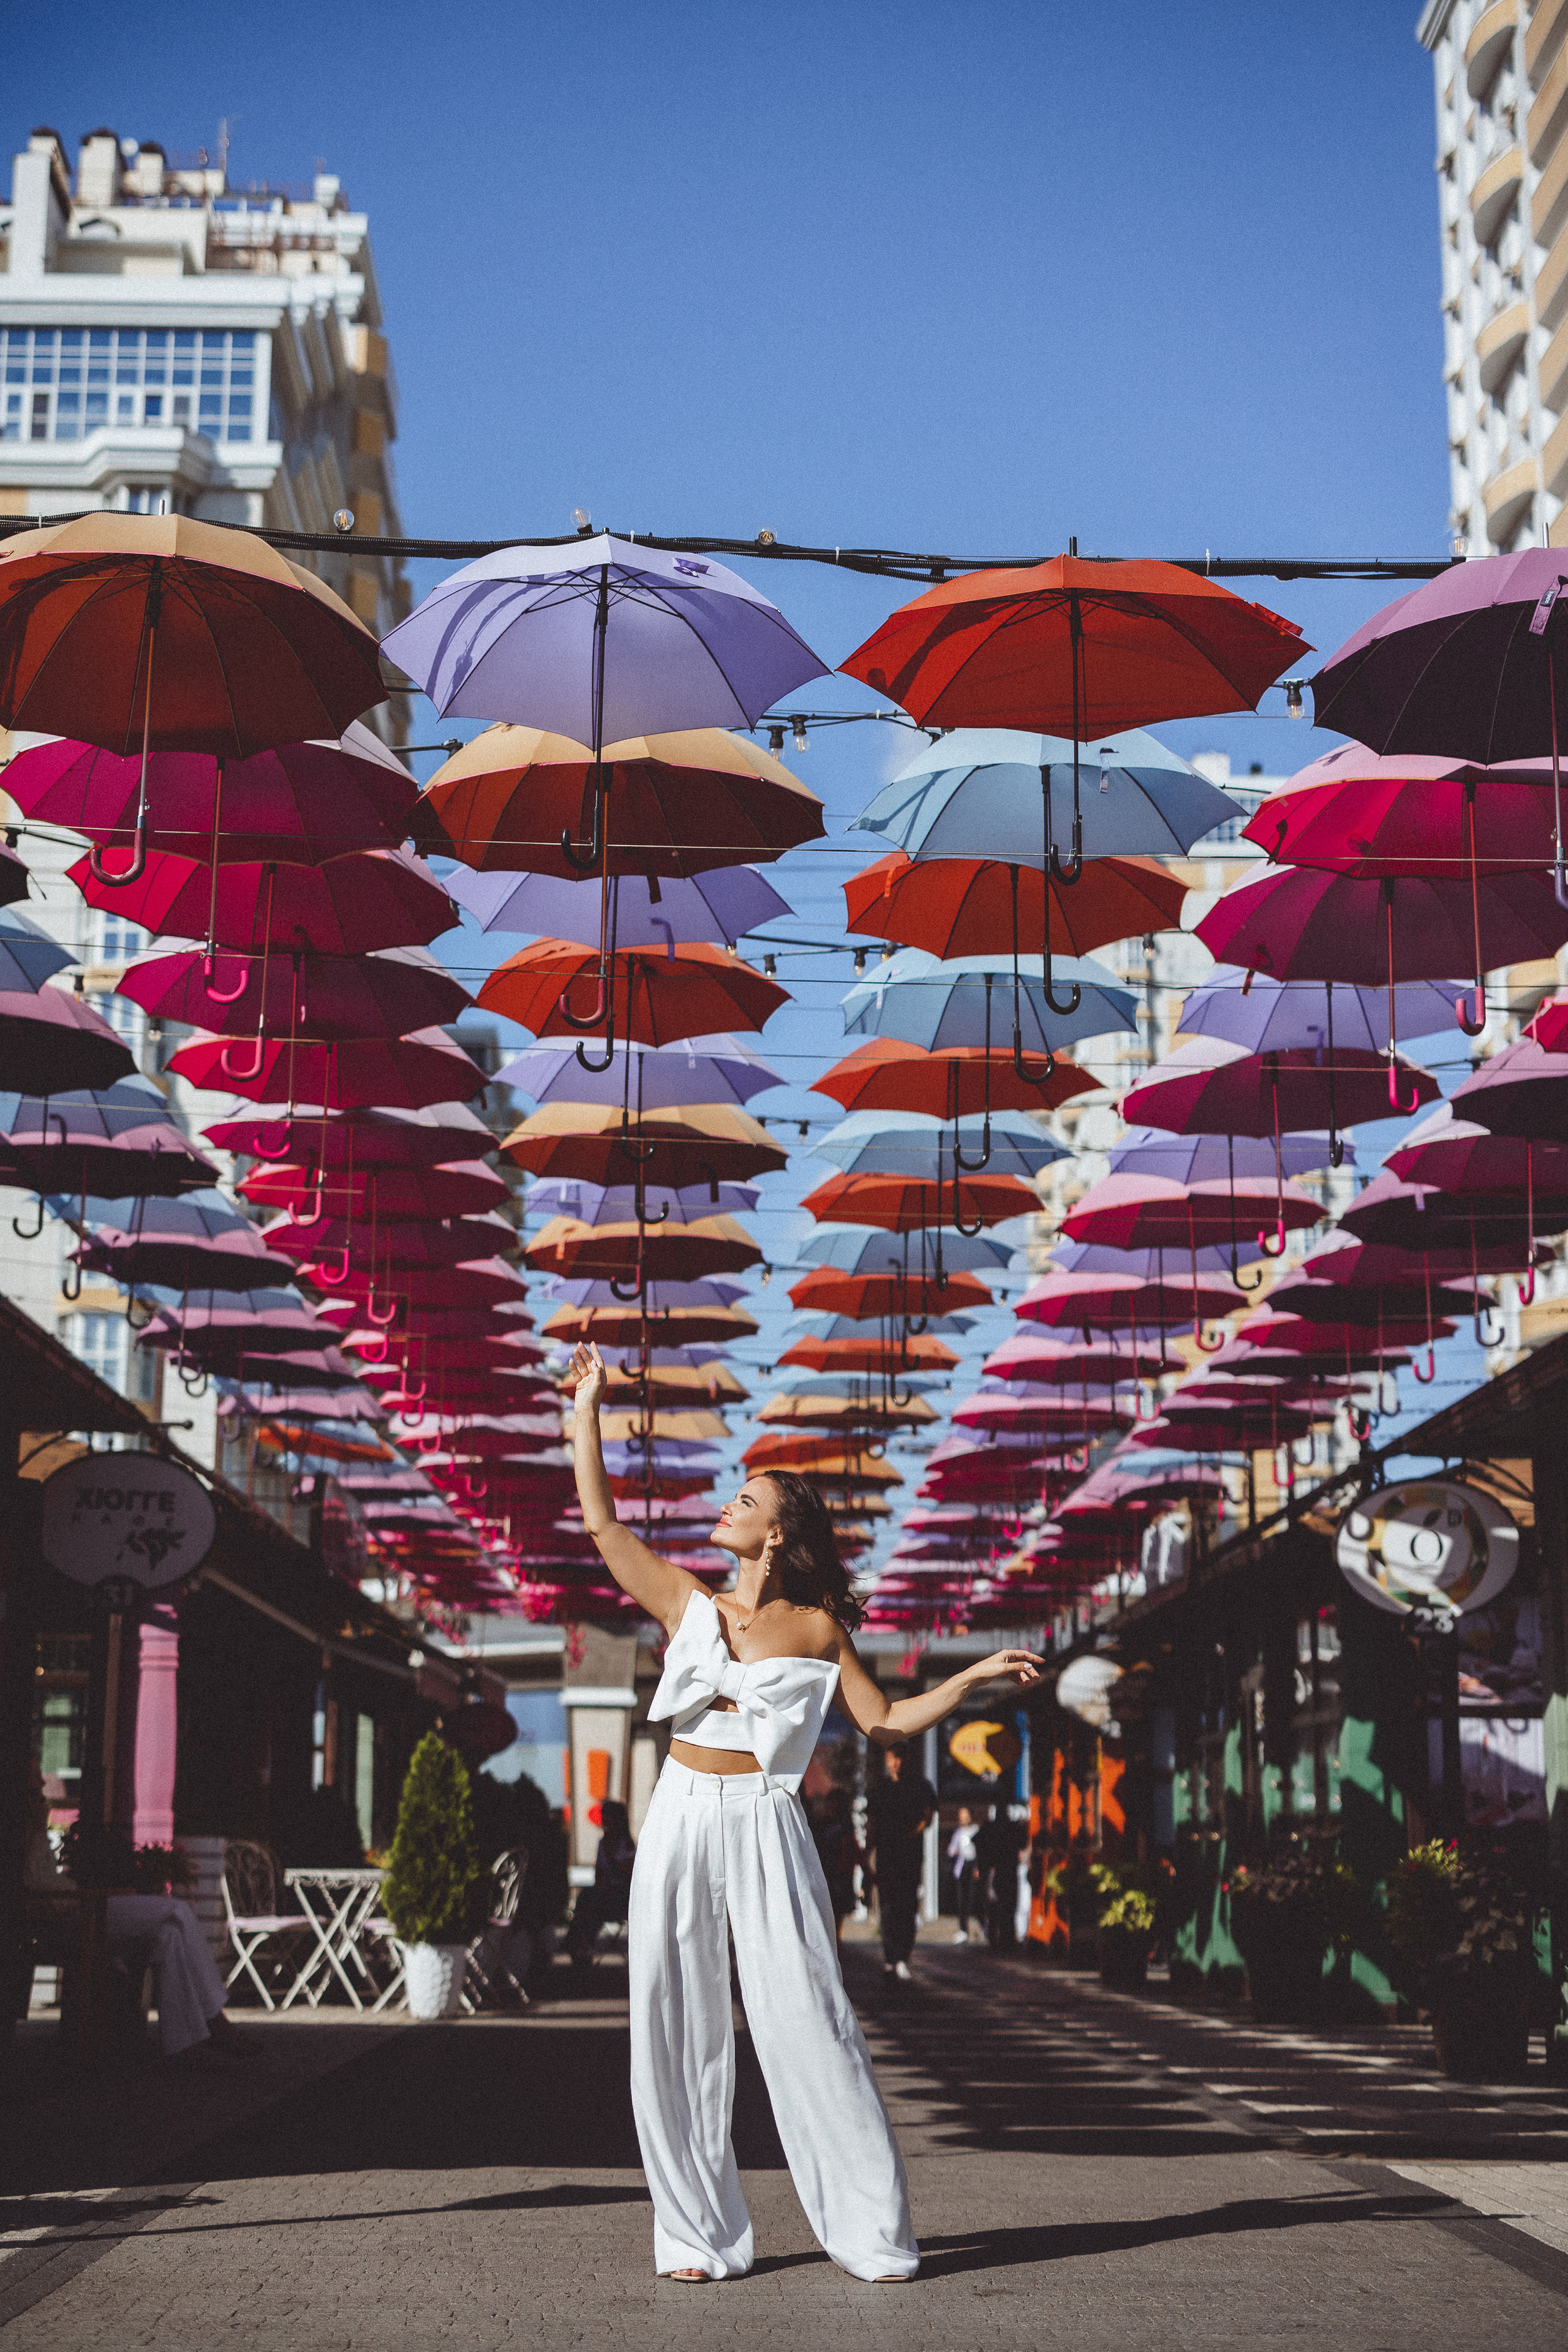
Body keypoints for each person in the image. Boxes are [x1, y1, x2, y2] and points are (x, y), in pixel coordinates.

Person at [570, 1340, 1042, 2285]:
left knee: (810, 2015)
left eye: (745, 1501)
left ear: (779, 1534)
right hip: (680, 1813)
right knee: (671, 2017)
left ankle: (871, 2234)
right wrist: (587, 1411)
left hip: (765, 1820)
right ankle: (696, 2237)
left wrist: (974, 1678)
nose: (727, 1507)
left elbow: (885, 1720)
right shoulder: (687, 1602)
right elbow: (603, 1525)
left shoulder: (820, 1629)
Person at [24, 1762, 254, 2063]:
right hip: (70, 1912)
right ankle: (215, 2020)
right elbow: (35, 1885)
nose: (43, 1782)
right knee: (178, 1910)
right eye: (35, 1776)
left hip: (76, 1903)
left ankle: (183, 2044)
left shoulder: (32, 1817)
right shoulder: (18, 1824)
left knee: (169, 1936)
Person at [865, 1747, 936, 1982]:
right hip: (886, 1855)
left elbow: (929, 1816)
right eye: (891, 1758)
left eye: (899, 1758)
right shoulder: (880, 1789)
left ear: (908, 1758)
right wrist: (867, 1853)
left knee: (907, 1907)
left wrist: (914, 1833)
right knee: (887, 1907)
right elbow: (872, 1823)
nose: (895, 1763)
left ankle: (903, 1957)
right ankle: (889, 1959)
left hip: (909, 1856)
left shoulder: (921, 1786)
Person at [566, 1800, 637, 1967]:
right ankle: (581, 1945)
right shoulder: (602, 1843)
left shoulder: (627, 1845)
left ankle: (579, 1944)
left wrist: (612, 1856)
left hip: (622, 1898)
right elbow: (599, 1876)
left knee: (590, 1903)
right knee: (588, 1900)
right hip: (605, 1895)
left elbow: (630, 1875)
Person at [809, 1785, 862, 1942]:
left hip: (840, 1869)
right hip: (825, 1868)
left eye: (836, 1801)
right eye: (831, 1801)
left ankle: (837, 1939)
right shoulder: (820, 1821)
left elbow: (848, 1845)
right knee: (826, 1905)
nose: (833, 1804)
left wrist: (845, 1867)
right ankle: (828, 1939)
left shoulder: (845, 1822)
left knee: (839, 1908)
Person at [974, 1799, 1030, 1951]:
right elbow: (1023, 1842)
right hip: (1006, 1871)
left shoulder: (991, 1828)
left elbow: (977, 1841)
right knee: (1007, 1905)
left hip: (998, 1870)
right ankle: (1005, 1938)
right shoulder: (1011, 1828)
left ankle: (997, 1937)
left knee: (997, 1905)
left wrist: (985, 1862)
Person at [947, 1804, 980, 1944]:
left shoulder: (976, 1830)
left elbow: (980, 1850)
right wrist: (954, 1852)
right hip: (962, 1868)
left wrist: (978, 1868)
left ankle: (982, 1927)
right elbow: (951, 1849)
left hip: (974, 1867)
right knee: (962, 1900)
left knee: (976, 1899)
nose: (963, 1819)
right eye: (961, 1816)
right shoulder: (958, 1833)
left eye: (966, 1816)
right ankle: (963, 1930)